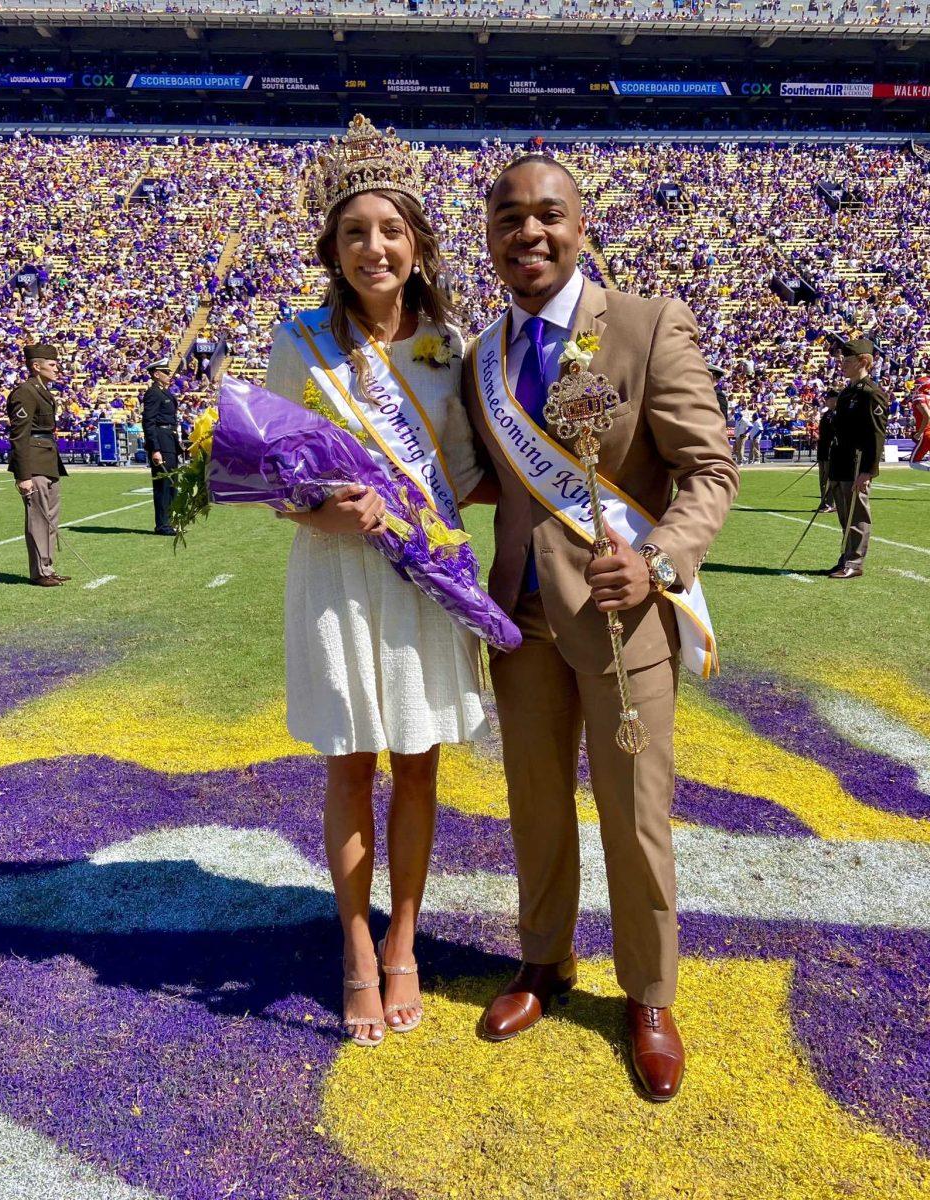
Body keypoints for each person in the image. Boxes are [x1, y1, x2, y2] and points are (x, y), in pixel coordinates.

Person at [464, 155, 738, 1101]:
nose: (528, 234)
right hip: (522, 625)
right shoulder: (480, 356)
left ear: (582, 226)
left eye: (548, 216)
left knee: (636, 818)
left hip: (628, 628)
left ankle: (650, 995)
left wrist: (660, 558)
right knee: (535, 808)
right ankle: (544, 962)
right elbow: (489, 484)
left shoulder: (647, 325)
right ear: (490, 234)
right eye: (509, 219)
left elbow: (710, 471)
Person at [265, 115, 491, 1048]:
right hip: (337, 577)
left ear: (417, 242)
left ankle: (406, 938)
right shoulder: (299, 341)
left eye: (390, 230)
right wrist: (331, 514)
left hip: (421, 581)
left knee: (422, 762)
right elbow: (269, 481)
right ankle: (356, 946)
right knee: (351, 763)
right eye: (355, 233)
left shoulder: (448, 345)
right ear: (334, 247)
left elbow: (474, 474)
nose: (374, 248)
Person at [6, 342, 71, 587]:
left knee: (51, 518)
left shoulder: (42, 390)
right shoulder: (25, 392)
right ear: (36, 366)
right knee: (38, 519)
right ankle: (40, 572)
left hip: (48, 461)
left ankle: (47, 567)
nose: (57, 369)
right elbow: (19, 435)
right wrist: (23, 475)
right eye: (52, 365)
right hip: (33, 463)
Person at [827, 338, 888, 579]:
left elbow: (876, 435)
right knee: (845, 516)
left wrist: (868, 471)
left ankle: (855, 562)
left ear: (863, 361)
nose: (842, 365)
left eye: (848, 361)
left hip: (856, 464)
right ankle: (845, 558)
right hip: (841, 463)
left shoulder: (871, 394)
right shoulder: (847, 393)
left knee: (857, 515)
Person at [141, 359, 182, 536]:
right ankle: (163, 525)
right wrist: (154, 449)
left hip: (169, 439)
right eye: (165, 372)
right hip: (161, 441)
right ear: (156, 374)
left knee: (172, 484)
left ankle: (171, 522)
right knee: (163, 485)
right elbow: (149, 422)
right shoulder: (153, 393)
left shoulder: (165, 393)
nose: (169, 375)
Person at [816, 388, 839, 511]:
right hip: (823, 450)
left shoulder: (838, 414)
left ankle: (829, 504)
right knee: (823, 479)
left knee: (829, 479)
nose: (826, 401)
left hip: (830, 451)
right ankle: (824, 503)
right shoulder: (827, 414)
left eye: (829, 399)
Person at [909, 376, 930, 471]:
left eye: (917, 386)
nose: (914, 388)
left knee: (913, 463)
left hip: (927, 433)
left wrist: (919, 432)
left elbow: (927, 416)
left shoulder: (919, 397)